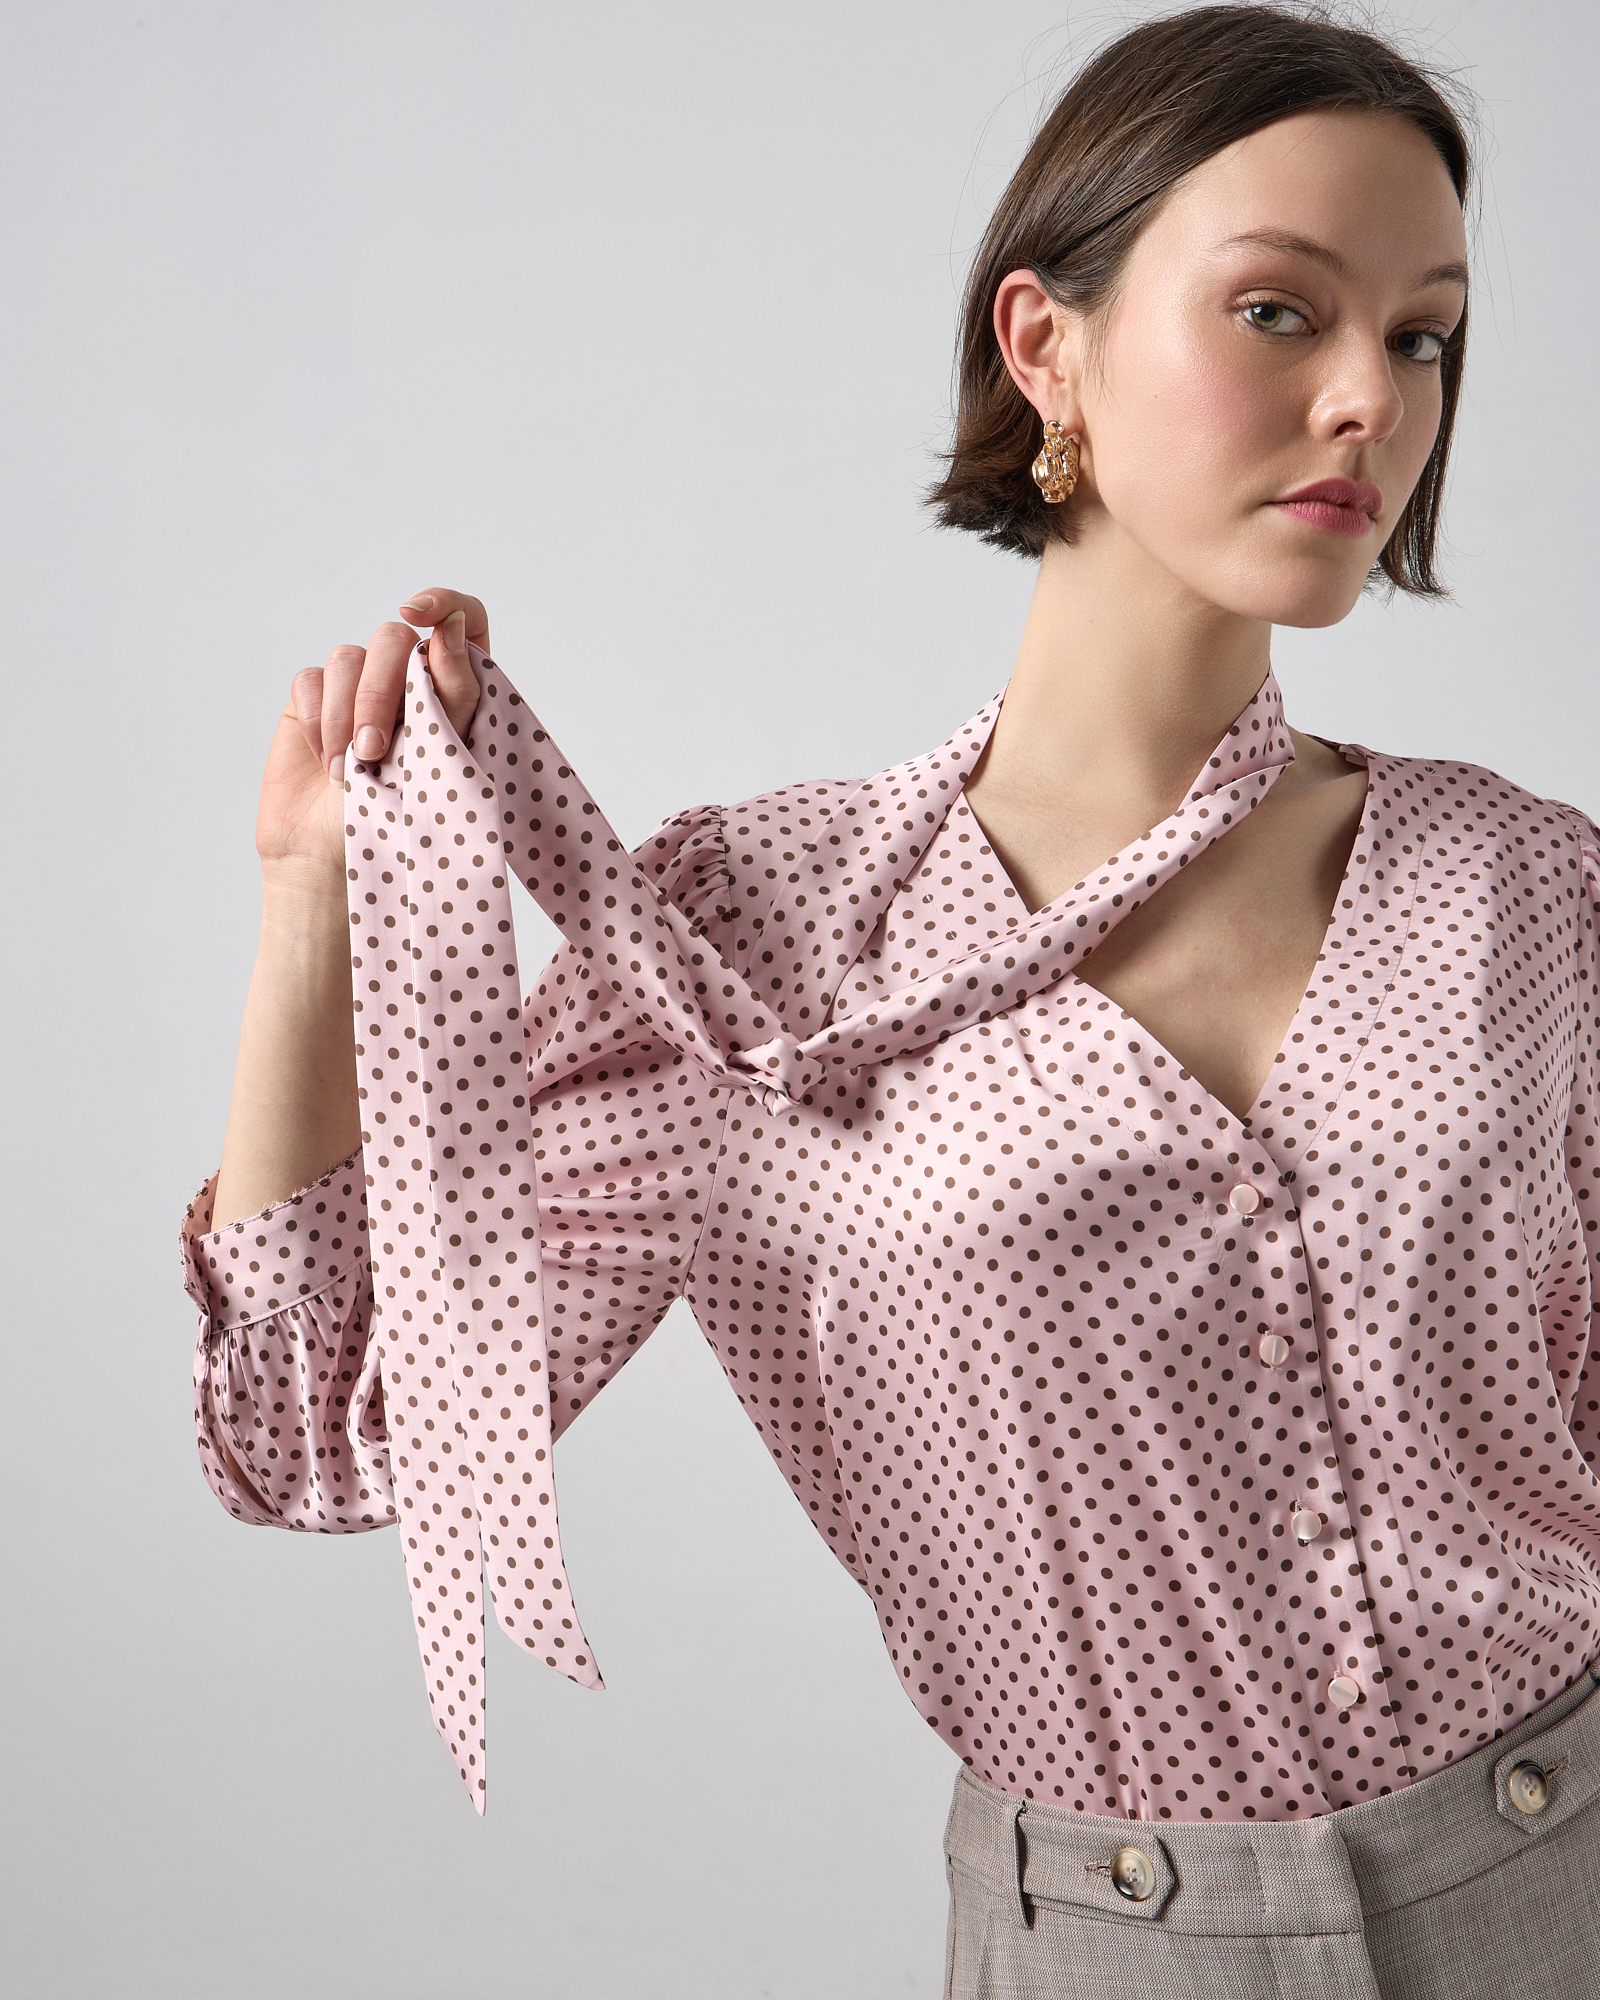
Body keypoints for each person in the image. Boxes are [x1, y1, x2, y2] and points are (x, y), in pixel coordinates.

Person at [181, 5, 1600, 1995]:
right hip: (1109, 1951)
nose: (1370, 394)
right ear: (1045, 347)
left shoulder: (1524, 887)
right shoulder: (745, 948)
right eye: (1280, 312)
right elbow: (320, 1437)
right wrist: (308, 913)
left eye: (1423, 335)